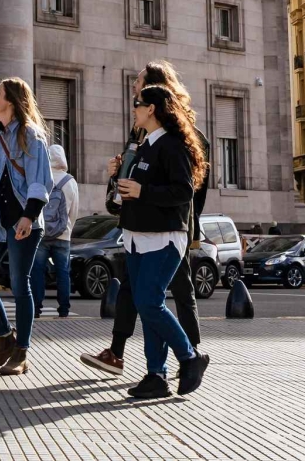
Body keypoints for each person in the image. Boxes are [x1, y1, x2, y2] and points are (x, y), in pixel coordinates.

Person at [80, 60, 205, 376]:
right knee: (142, 296)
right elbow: (133, 177)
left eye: (138, 86)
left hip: (168, 227)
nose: (133, 93)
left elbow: (188, 189)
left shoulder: (177, 135)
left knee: (166, 296)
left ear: (154, 100)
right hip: (139, 226)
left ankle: (188, 356)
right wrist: (117, 177)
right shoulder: (142, 134)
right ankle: (151, 368)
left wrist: (190, 225)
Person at [117, 83, 211, 399]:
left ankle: (189, 356)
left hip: (164, 238)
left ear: (152, 109)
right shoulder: (144, 146)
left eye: (137, 103)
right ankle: (156, 375)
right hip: (136, 237)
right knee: (148, 304)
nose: (134, 109)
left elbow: (184, 192)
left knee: (149, 302)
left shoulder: (172, 146)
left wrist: (143, 191)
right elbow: (126, 194)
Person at [0, 77, 53, 377]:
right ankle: (6, 338)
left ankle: (21, 352)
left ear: (12, 101)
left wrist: (29, 216)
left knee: (19, 285)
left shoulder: (32, 136)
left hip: (23, 223)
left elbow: (40, 181)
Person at [31, 143, 79, 319]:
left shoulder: (42, 177)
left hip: (42, 233)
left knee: (37, 271)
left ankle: (36, 308)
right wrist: (68, 229)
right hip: (63, 235)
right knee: (63, 273)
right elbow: (74, 211)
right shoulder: (70, 181)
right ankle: (64, 309)